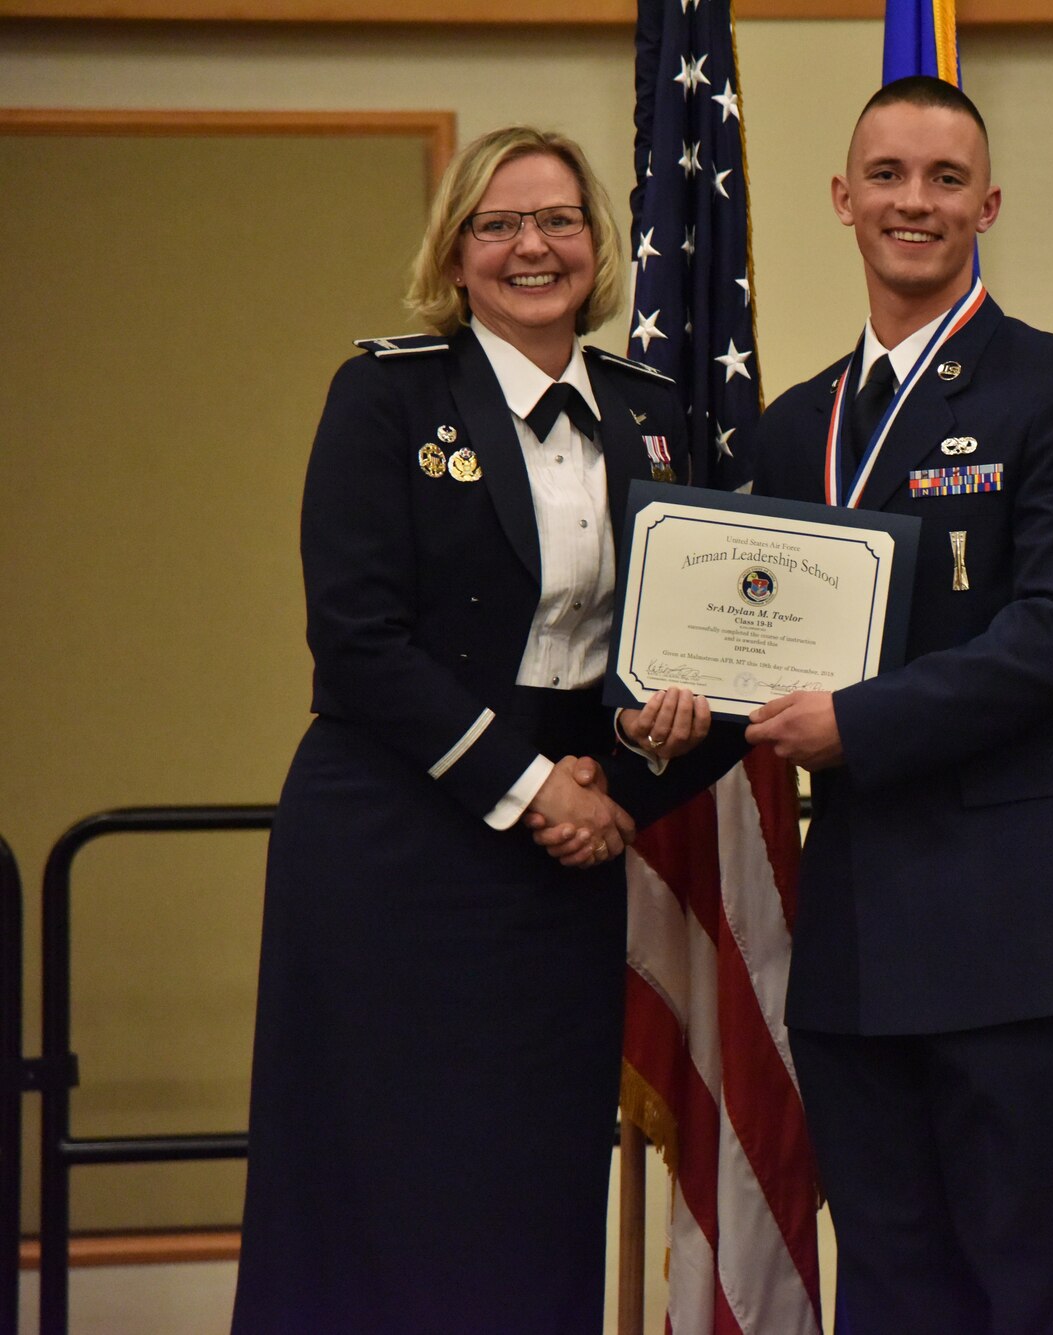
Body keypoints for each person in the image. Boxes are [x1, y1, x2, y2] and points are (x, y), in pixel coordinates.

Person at [683, 75, 1053, 1335]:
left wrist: (860, 725)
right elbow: (751, 648)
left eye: (946, 180)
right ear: (842, 200)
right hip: (853, 924)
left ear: (987, 204)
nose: (914, 201)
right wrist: (664, 713)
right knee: (886, 1280)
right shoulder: (790, 428)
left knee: (1028, 1277)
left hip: (1005, 916)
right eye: (886, 175)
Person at [232, 126, 710, 1335]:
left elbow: (691, 646)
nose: (530, 247)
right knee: (378, 1174)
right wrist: (533, 783)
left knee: (533, 1172)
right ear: (453, 253)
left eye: (556, 220)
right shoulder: (386, 394)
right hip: (393, 841)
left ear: (597, 246)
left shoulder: (657, 416)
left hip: (562, 855)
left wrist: (624, 781)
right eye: (496, 225)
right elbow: (357, 642)